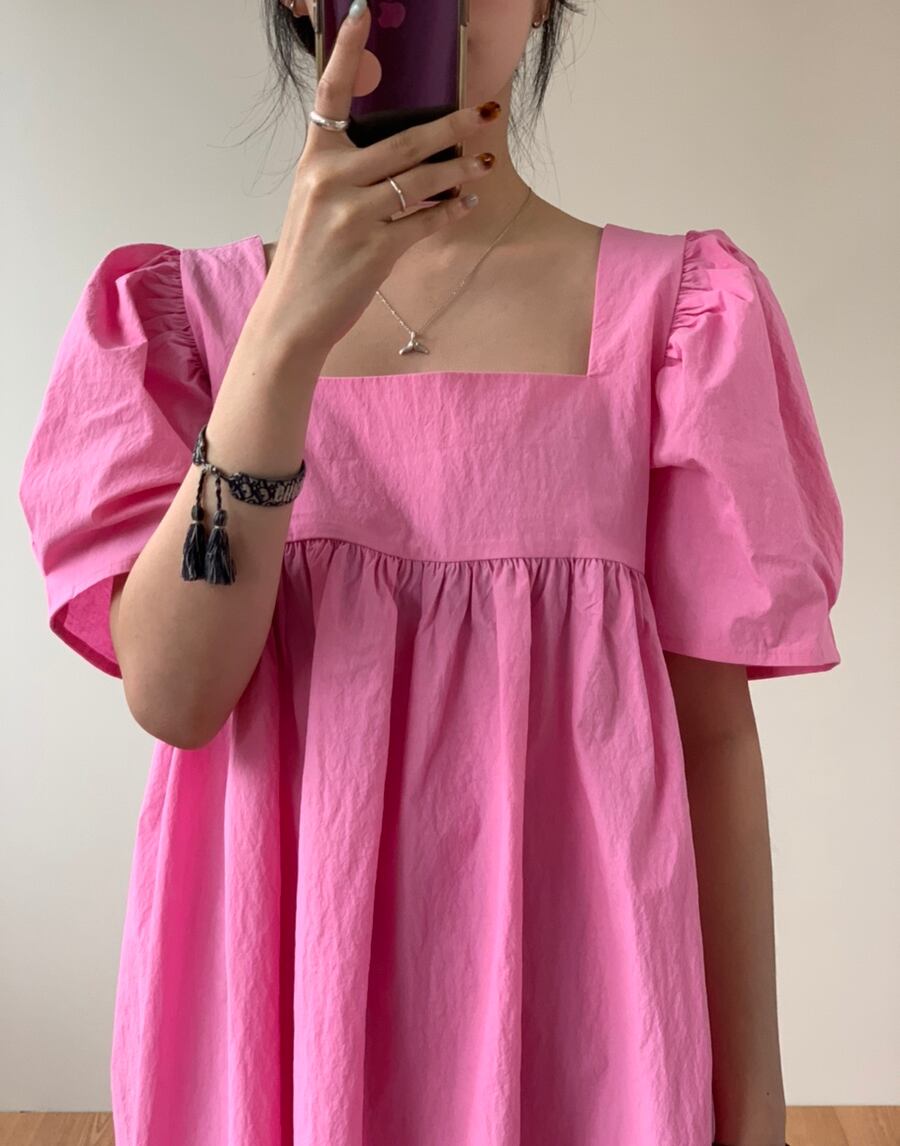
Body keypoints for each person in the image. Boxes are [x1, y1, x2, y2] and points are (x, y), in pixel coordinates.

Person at [17, 1, 842, 1143]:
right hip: (280, 1028)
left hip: (586, 1033)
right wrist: (282, 338)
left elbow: (713, 744)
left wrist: (755, 1109)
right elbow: (175, 693)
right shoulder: (182, 327)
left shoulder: (681, 322)